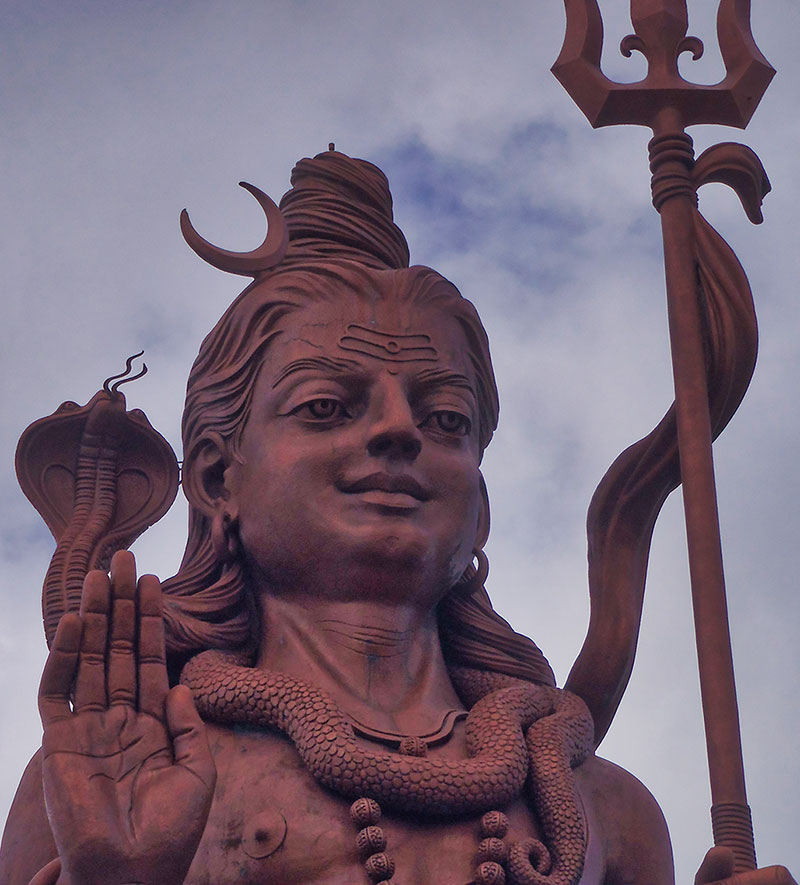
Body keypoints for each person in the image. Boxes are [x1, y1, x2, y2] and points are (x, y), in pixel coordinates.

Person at [0, 150, 793, 885]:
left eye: (445, 418)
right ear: (216, 477)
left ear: (479, 506)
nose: (396, 431)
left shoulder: (602, 806)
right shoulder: (120, 777)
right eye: (325, 406)